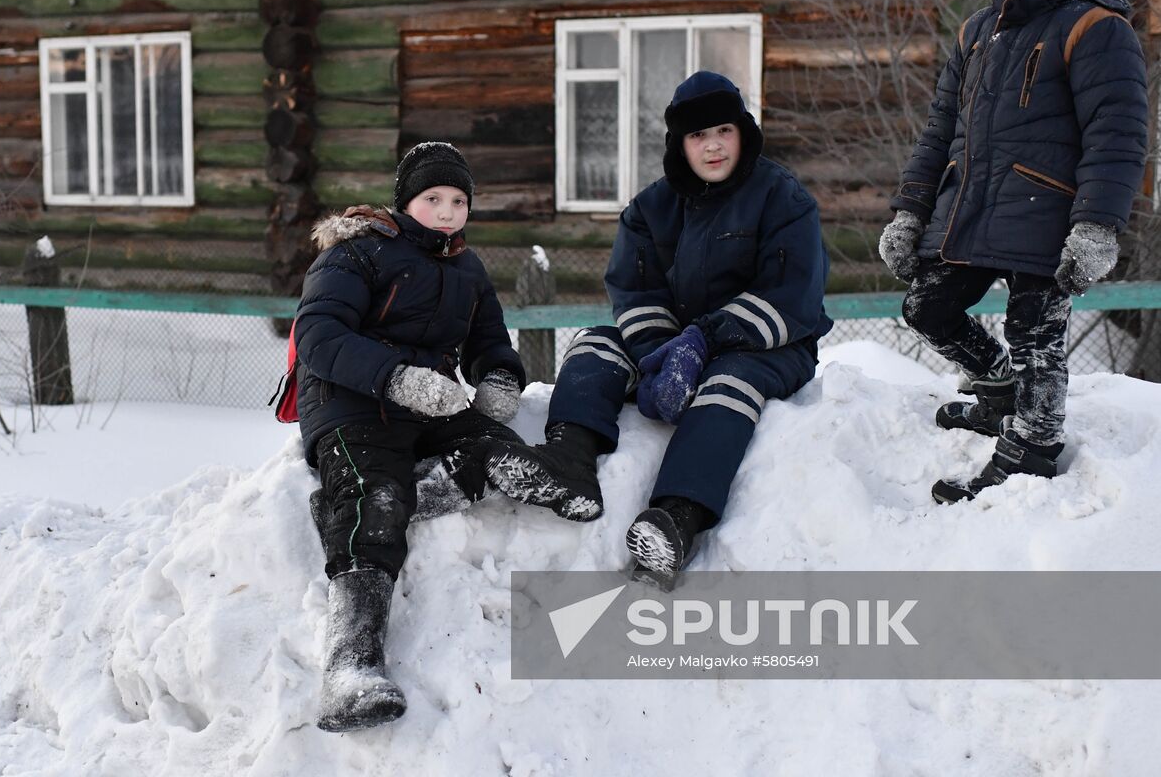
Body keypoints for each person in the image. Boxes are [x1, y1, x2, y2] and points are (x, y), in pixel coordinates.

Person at [478, 71, 833, 578]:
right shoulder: (650, 208)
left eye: (723, 132)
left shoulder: (782, 198)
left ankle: (676, 518)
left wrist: (704, 340)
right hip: (674, 339)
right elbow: (635, 291)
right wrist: (664, 353)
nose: (712, 146)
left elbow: (792, 297)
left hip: (769, 344)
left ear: (742, 132)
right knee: (594, 346)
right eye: (697, 136)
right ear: (679, 144)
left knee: (727, 385)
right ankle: (570, 460)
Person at [878, 0, 1148, 504]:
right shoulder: (977, 32)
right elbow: (939, 128)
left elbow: (1119, 135)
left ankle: (1033, 445)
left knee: (1034, 333)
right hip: (971, 210)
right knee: (927, 307)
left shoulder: (1096, 27)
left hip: (1051, 215)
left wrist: (1097, 226)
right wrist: (910, 210)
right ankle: (998, 393)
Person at [293, 141, 539, 732]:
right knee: (375, 499)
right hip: (349, 403)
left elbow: (490, 342)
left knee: (501, 453)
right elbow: (319, 335)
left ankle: (411, 496)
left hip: (427, 403)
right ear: (407, 201)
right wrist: (396, 378)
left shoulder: (468, 270)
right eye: (434, 199)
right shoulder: (358, 252)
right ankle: (349, 668)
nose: (448, 211)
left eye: (459, 201)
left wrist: (500, 380)